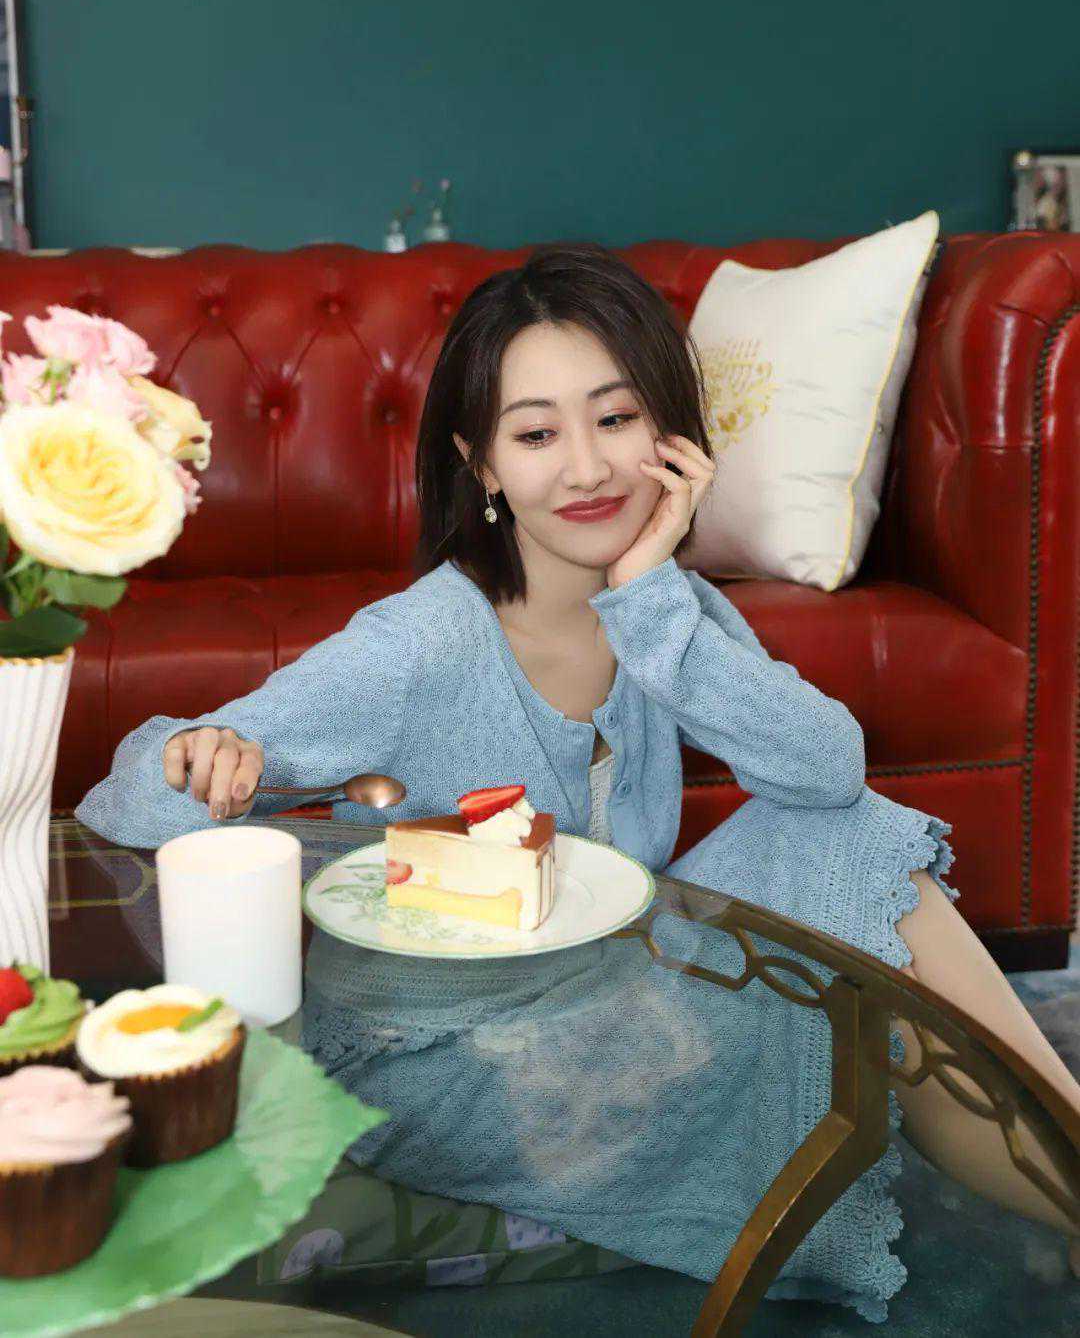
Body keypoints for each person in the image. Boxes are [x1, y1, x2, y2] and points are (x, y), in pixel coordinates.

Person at [75, 241, 1080, 1320]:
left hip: (611, 994)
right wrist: (203, 753)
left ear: (670, 435)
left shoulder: (665, 607)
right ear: (482, 464)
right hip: (459, 1062)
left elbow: (827, 773)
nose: (589, 468)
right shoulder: (419, 644)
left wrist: (649, 592)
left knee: (857, 848)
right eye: (537, 434)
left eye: (616, 418)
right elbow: (130, 796)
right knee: (867, 979)